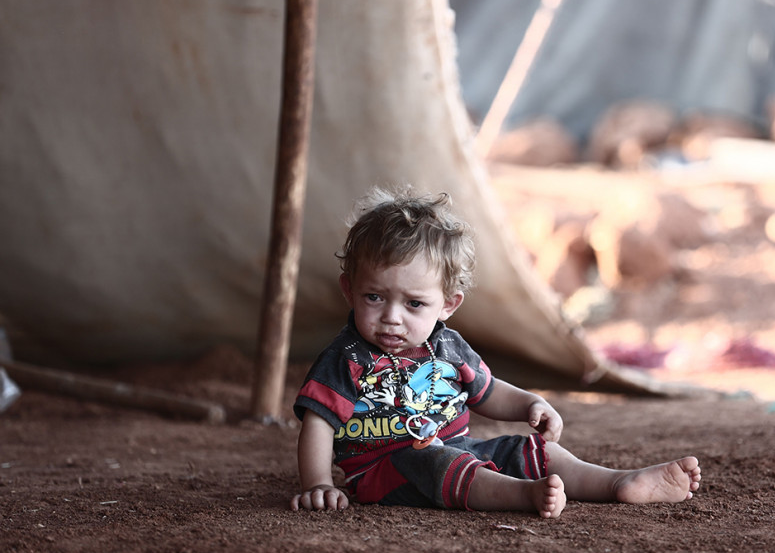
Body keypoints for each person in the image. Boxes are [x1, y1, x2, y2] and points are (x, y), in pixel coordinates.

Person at [290, 187, 701, 518]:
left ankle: (618, 482)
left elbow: (486, 391)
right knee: (436, 464)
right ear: (349, 291)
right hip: (387, 468)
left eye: (414, 304)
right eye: (375, 297)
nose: (392, 318)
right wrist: (318, 484)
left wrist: (529, 404)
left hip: (458, 447)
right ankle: (522, 496)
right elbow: (318, 423)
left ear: (448, 304)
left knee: (530, 450)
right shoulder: (346, 358)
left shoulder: (448, 346)